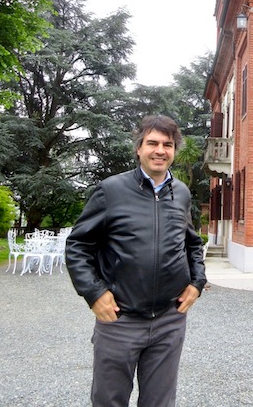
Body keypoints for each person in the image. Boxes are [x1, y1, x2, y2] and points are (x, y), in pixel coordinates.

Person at [65, 114, 207, 407]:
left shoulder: (180, 193)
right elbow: (78, 245)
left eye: (168, 144)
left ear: (174, 150)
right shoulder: (111, 190)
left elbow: (192, 243)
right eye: (152, 143)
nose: (160, 150)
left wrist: (197, 282)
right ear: (139, 148)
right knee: (109, 401)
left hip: (169, 321)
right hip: (120, 320)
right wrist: (94, 293)